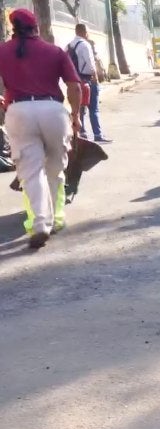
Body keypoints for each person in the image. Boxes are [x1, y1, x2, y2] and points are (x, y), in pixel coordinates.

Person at [0, 9, 82, 249]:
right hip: (52, 110)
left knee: (30, 172)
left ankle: (40, 224)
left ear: (12, 28)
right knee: (55, 169)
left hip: (18, 112)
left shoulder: (2, 51)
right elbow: (75, 87)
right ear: (37, 28)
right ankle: (56, 219)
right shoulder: (54, 51)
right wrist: (75, 116)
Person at [67, 24, 110, 143]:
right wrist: (95, 78)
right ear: (85, 32)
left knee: (79, 109)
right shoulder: (85, 44)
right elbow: (91, 65)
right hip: (87, 80)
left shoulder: (69, 45)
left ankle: (82, 133)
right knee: (93, 108)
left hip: (75, 81)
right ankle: (97, 134)